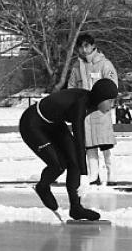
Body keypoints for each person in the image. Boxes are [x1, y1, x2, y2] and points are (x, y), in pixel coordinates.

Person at [19, 78, 119, 221]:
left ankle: (76, 208)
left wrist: (82, 171)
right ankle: (42, 186)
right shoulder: (80, 104)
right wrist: (84, 175)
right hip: (32, 123)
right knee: (58, 165)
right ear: (100, 98)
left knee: (74, 162)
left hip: (53, 123)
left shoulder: (91, 102)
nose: (112, 105)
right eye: (110, 101)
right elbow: (80, 139)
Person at [67, 33, 118, 185]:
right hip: (85, 112)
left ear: (92, 46)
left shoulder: (104, 64)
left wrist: (108, 102)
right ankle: (94, 176)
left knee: (106, 145)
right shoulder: (77, 66)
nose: (83, 50)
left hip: (101, 111)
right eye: (80, 47)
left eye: (86, 46)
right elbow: (71, 87)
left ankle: (111, 175)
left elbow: (112, 84)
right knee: (89, 145)